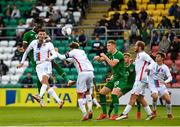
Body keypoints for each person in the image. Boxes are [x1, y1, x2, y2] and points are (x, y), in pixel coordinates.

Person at [20, 24, 75, 106]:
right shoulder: (33, 43)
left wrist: (49, 59)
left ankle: (39, 96)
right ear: (37, 35)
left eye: (43, 34)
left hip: (46, 65)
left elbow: (55, 55)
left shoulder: (49, 44)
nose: (42, 35)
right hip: (38, 66)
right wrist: (22, 62)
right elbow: (26, 52)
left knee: (45, 81)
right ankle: (59, 101)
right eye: (40, 34)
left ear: (45, 35)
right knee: (45, 85)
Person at [116, 41, 155, 120]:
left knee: (133, 96)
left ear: (140, 47)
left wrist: (148, 68)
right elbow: (139, 65)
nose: (134, 47)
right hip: (142, 79)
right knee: (140, 98)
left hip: (140, 79)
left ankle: (124, 114)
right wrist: (133, 62)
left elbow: (153, 62)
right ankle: (150, 114)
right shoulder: (138, 55)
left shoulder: (143, 54)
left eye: (136, 46)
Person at [56, 42, 94, 121]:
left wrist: (55, 52)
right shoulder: (82, 52)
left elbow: (62, 57)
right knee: (87, 92)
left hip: (83, 73)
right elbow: (72, 60)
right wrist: (67, 56)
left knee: (79, 94)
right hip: (90, 72)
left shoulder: (73, 51)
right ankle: (90, 110)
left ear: (71, 48)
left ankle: (85, 114)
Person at [94, 40, 127, 120]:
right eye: (107, 45)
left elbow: (112, 64)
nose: (107, 47)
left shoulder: (118, 54)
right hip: (114, 77)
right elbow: (102, 59)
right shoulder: (110, 54)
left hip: (121, 78)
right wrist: (98, 58)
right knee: (102, 93)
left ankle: (115, 114)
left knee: (114, 94)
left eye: (109, 45)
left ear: (114, 46)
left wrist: (105, 56)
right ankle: (104, 114)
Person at [108, 53, 141, 119]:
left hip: (133, 85)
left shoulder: (133, 66)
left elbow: (139, 73)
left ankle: (138, 113)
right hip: (124, 85)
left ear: (129, 58)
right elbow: (116, 73)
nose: (124, 59)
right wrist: (111, 77)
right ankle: (109, 113)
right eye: (124, 57)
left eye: (126, 57)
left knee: (138, 99)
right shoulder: (121, 66)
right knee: (115, 97)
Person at [148, 52, 173, 119]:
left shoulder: (165, 67)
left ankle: (169, 114)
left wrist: (165, 82)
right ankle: (154, 111)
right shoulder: (153, 64)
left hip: (161, 86)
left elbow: (170, 77)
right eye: (156, 56)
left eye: (158, 56)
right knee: (155, 96)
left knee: (168, 100)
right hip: (153, 85)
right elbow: (147, 69)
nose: (156, 57)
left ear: (162, 58)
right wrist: (147, 70)